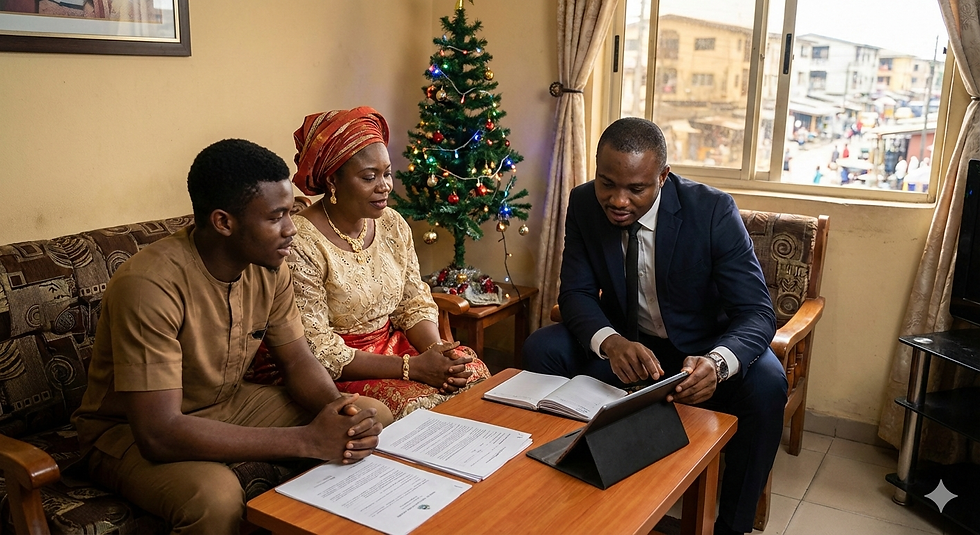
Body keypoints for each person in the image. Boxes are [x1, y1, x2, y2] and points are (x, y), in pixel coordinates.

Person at [71, 139, 393, 534]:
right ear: (224, 222)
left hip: (227, 403)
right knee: (215, 498)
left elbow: (297, 361)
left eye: (291, 212)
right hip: (128, 433)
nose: (292, 229)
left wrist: (338, 411)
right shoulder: (149, 285)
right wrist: (308, 440)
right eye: (276, 217)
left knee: (370, 414)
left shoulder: (270, 267)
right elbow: (159, 433)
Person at [522, 117, 786, 535]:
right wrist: (610, 343)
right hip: (630, 346)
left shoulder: (712, 210)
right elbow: (575, 295)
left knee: (769, 383)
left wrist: (717, 364)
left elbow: (757, 311)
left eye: (636, 189)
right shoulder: (585, 202)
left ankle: (733, 526)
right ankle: (554, 482)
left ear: (663, 176)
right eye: (607, 183)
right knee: (543, 347)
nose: (617, 200)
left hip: (700, 351)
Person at [281, 107, 491, 419]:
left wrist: (437, 352)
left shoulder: (392, 223)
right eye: (369, 177)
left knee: (471, 371)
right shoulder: (300, 241)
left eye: (387, 173)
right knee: (411, 407)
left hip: (394, 346)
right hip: (342, 369)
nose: (385, 186)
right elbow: (317, 349)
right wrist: (412, 368)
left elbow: (413, 301)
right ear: (332, 180)